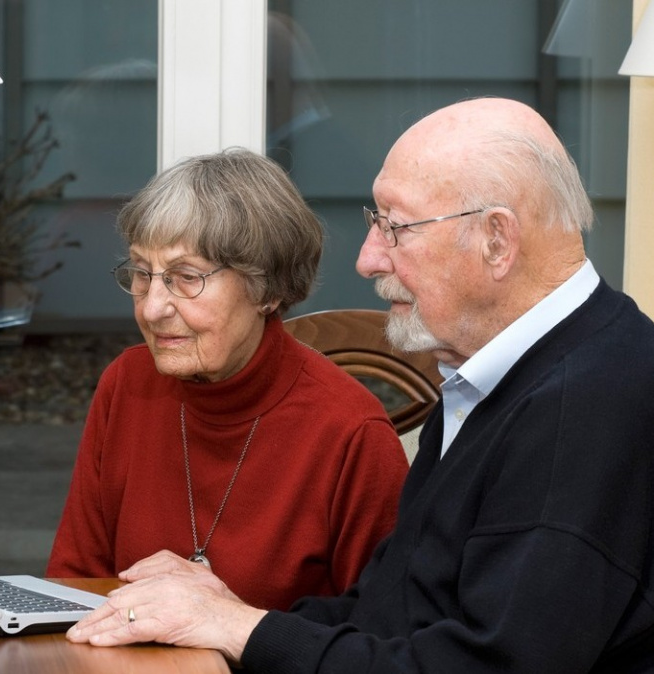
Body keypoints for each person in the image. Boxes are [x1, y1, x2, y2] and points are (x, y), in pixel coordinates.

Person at [65, 97, 654, 672]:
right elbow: (385, 616)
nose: (368, 259)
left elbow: (489, 662)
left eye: (395, 228)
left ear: (496, 241)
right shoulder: (490, 386)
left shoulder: (590, 406)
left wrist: (234, 626)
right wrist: (222, 617)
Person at [45, 147, 408, 610]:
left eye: (186, 277)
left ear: (267, 288)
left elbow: (377, 635)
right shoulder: (126, 385)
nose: (152, 307)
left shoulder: (350, 434)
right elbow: (73, 586)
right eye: (141, 273)